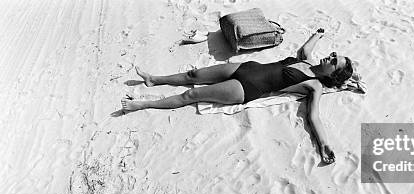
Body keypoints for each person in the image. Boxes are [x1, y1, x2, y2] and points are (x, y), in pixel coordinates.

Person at [121, 28, 354, 165]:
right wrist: (318, 34)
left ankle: (143, 104)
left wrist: (324, 144)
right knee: (195, 74)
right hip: (246, 67)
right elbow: (305, 49)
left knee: (192, 94)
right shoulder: (306, 61)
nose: (331, 58)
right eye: (334, 55)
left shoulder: (315, 87)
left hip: (246, 89)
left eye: (334, 62)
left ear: (334, 75)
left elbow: (315, 117)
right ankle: (154, 79)